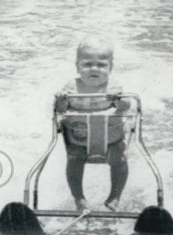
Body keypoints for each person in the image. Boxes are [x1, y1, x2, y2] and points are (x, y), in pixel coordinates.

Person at [53, 36, 131, 212]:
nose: (94, 69)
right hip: (78, 140)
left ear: (110, 67)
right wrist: (61, 99)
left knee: (120, 159)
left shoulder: (113, 85)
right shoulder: (72, 85)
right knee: (73, 158)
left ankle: (114, 197)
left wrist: (119, 98)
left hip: (111, 139)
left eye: (101, 65)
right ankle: (79, 199)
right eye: (87, 64)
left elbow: (126, 107)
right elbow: (60, 109)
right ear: (77, 66)